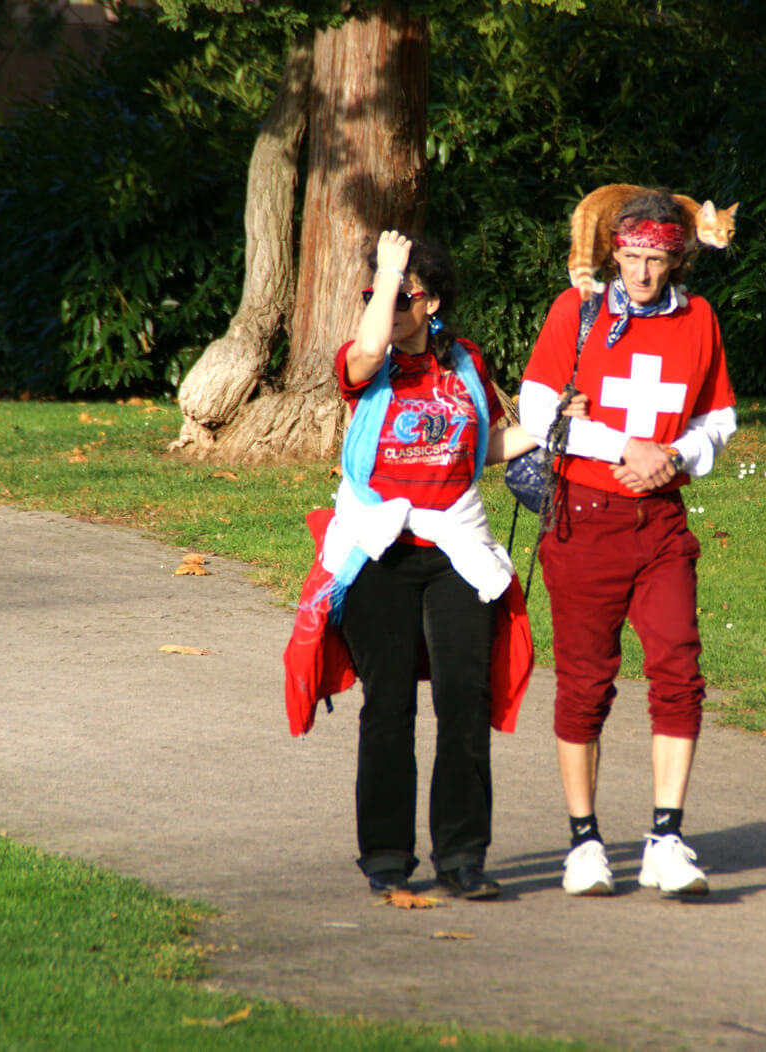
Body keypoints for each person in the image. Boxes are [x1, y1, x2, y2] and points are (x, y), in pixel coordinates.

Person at [291, 230, 541, 899]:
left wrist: (550, 427)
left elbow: (483, 448)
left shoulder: (466, 362)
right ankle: (385, 857)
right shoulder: (363, 362)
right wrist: (389, 271)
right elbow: (370, 347)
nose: (387, 304)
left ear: (431, 302)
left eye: (403, 296)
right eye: (376, 294)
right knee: (389, 705)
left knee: (465, 703)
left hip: (455, 550)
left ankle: (462, 857)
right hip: (379, 551)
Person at [519, 188, 737, 897]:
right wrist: (625, 446)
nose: (642, 272)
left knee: (679, 668)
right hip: (584, 518)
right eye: (632, 256)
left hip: (662, 520)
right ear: (614, 251)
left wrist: (674, 455)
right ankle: (584, 843)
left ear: (678, 260)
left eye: (656, 259)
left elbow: (718, 417)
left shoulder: (699, 319)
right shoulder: (576, 311)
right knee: (585, 682)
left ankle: (666, 839)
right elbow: (536, 410)